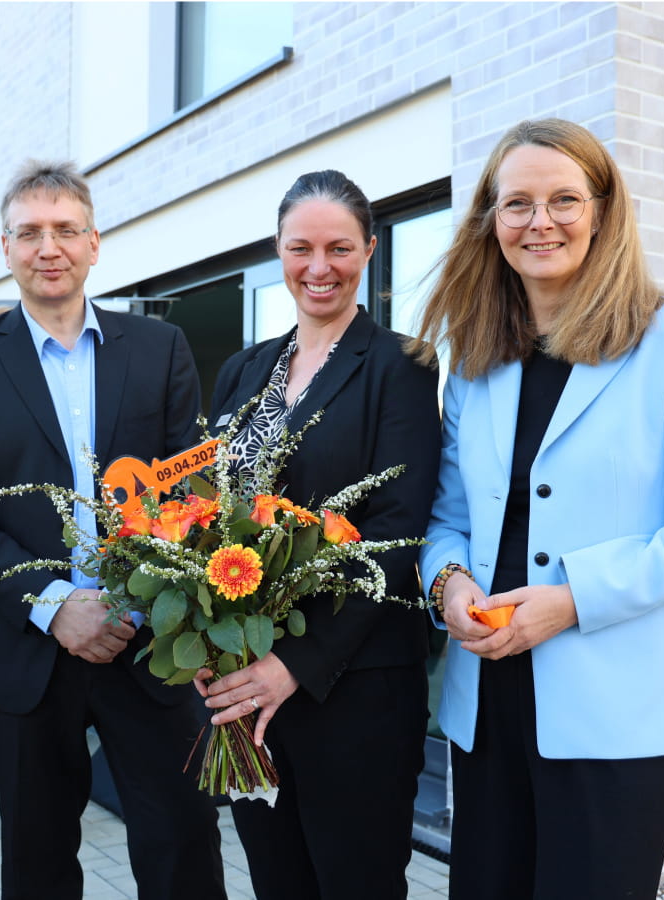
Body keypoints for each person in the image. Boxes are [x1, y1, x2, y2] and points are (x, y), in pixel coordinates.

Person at [415, 118, 664, 899]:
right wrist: (448, 586)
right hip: (485, 707)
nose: (539, 222)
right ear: (491, 220)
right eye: (517, 203)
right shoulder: (475, 360)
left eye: (563, 200)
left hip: (616, 714)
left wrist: (572, 600)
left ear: (602, 211)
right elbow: (448, 520)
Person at [0, 160, 226, 900]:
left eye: (65, 230)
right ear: (5, 248)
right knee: (38, 861)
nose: (48, 247)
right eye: (29, 233)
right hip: (24, 650)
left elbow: (191, 490)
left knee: (184, 841)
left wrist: (138, 600)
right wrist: (55, 603)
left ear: (95, 242)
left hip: (149, 644)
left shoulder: (159, 347)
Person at [198, 170, 442, 899]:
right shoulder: (243, 369)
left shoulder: (402, 365)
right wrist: (212, 642)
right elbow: (211, 514)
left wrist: (295, 664)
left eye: (339, 248)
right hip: (251, 689)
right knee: (277, 881)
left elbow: (396, 532)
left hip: (355, 687)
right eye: (300, 248)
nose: (318, 267)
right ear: (278, 250)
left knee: (356, 883)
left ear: (368, 249)